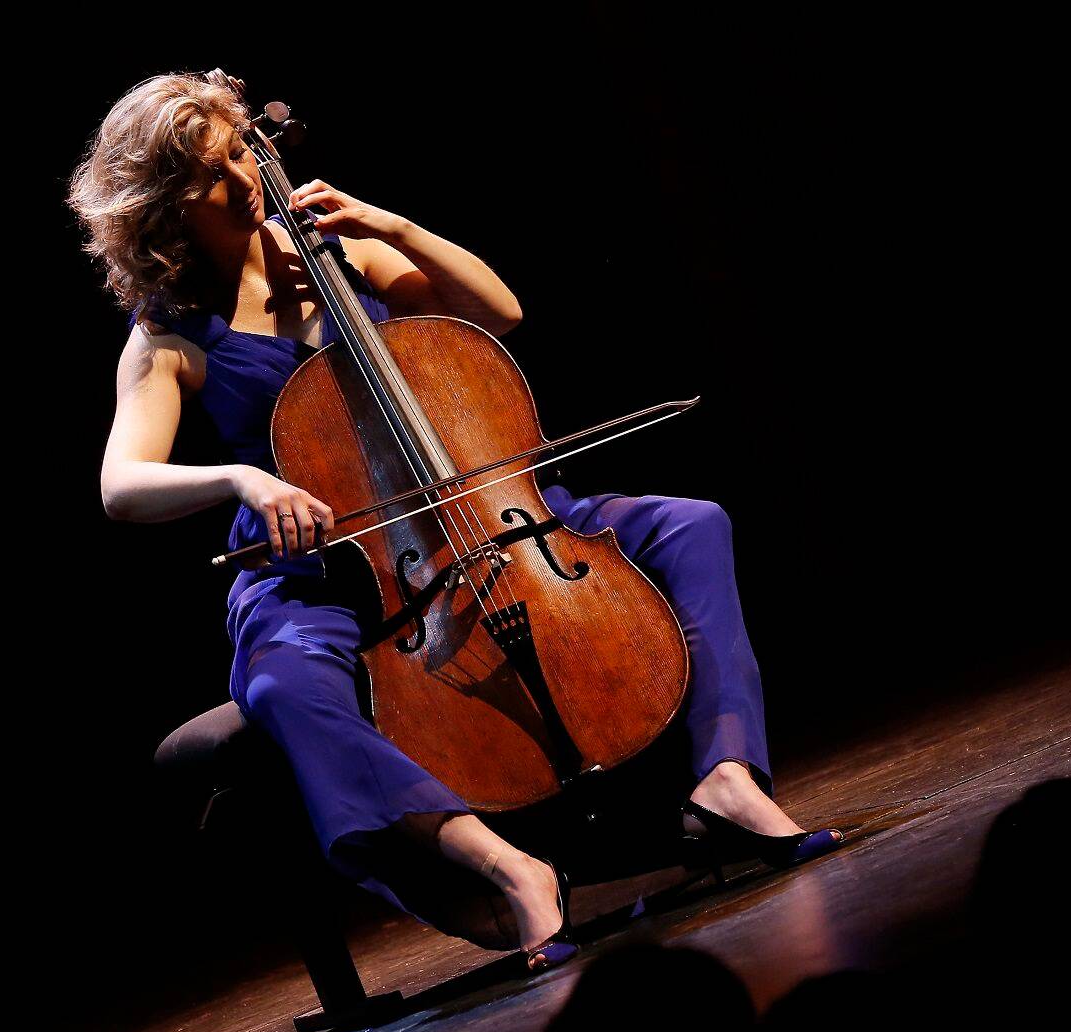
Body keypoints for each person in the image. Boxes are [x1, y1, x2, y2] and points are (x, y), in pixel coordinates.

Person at [70, 70, 842, 972]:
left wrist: (387, 228)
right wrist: (244, 479)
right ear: (162, 210)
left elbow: (497, 313)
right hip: (321, 564)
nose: (245, 181)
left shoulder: (332, 251)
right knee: (284, 688)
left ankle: (727, 777)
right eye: (213, 175)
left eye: (244, 152)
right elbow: (119, 485)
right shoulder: (170, 334)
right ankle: (504, 868)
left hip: (473, 506)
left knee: (691, 523)